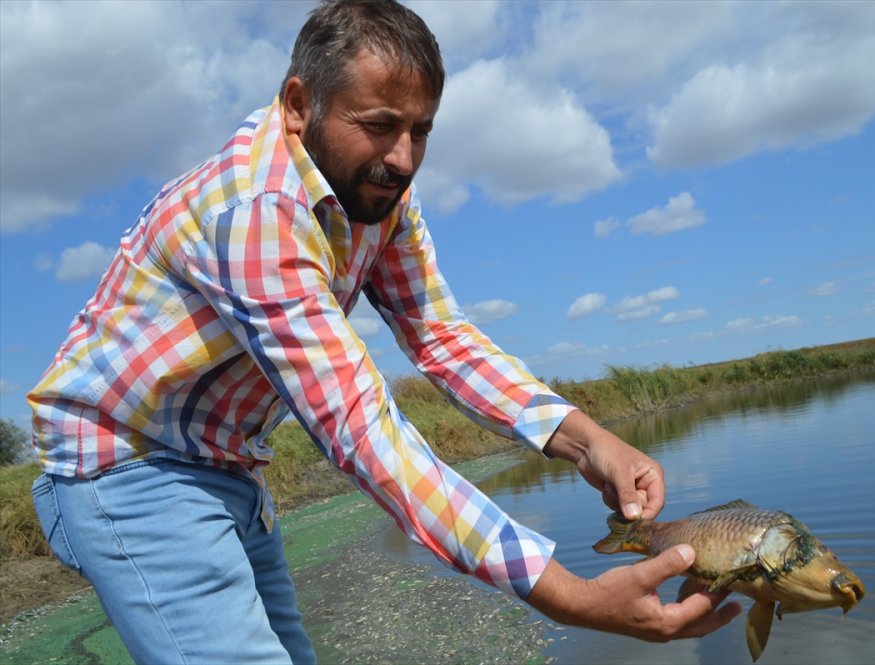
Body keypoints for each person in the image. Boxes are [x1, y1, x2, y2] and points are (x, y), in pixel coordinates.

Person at [27, 1, 741, 662]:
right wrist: (568, 594)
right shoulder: (254, 213)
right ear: (300, 104)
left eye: (420, 129)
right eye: (378, 125)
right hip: (123, 466)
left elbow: (440, 336)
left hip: (229, 464)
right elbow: (363, 430)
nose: (402, 157)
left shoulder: (380, 196)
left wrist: (588, 438)